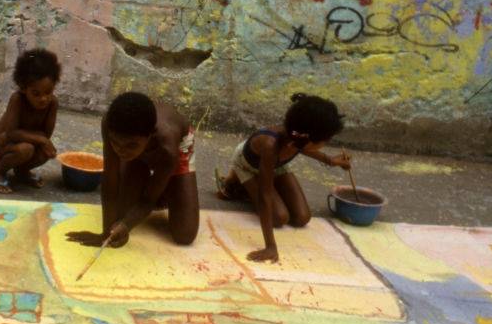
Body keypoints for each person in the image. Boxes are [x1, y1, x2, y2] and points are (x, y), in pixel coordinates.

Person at [215, 92, 348, 263]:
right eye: (326, 139)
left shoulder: (298, 138)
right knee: (279, 218)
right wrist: (270, 246)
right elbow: (265, 196)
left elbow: (307, 149)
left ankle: (261, 185)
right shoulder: (271, 145)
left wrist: (331, 161)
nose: (327, 142)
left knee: (302, 218)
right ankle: (235, 184)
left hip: (276, 166)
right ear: (308, 138)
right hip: (248, 165)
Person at [67, 92, 199, 248]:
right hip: (139, 155)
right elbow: (110, 180)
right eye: (115, 143)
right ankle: (153, 179)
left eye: (131, 145)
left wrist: (126, 226)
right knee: (120, 217)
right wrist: (106, 233)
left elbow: (148, 200)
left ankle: (164, 185)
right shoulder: (110, 123)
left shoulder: (168, 147)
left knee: (184, 235)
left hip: (179, 148)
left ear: (151, 136)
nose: (121, 151)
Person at [0, 48, 60, 193]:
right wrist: (41, 140)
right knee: (26, 149)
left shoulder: (52, 104)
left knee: (45, 151)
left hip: (25, 143)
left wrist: (43, 141)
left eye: (48, 92)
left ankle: (21, 171)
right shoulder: (17, 99)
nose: (43, 99)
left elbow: (45, 135)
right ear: (23, 88)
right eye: (36, 93)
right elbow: (11, 133)